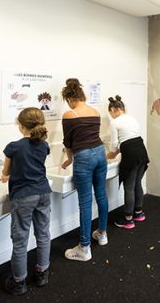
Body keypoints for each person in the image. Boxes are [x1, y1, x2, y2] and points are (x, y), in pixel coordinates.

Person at [0, 107, 52, 296]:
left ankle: (19, 281)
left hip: (23, 196)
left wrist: (5, 176)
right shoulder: (44, 145)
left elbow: (6, 172)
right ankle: (42, 273)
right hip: (44, 192)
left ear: (21, 126)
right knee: (43, 234)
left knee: (20, 239)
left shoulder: (13, 147)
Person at [60, 78, 108, 261]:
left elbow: (68, 142)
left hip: (84, 157)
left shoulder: (69, 115)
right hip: (100, 152)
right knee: (101, 195)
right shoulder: (95, 111)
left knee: (85, 202)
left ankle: (84, 248)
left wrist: (69, 159)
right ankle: (102, 234)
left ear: (69, 99)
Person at [106, 95, 150, 229]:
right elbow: (129, 139)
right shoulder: (132, 118)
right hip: (141, 151)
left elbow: (114, 145)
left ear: (113, 110)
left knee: (129, 187)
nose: (111, 116)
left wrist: (109, 155)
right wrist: (117, 151)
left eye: (110, 113)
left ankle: (128, 219)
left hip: (130, 155)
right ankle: (139, 213)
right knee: (137, 183)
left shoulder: (114, 122)